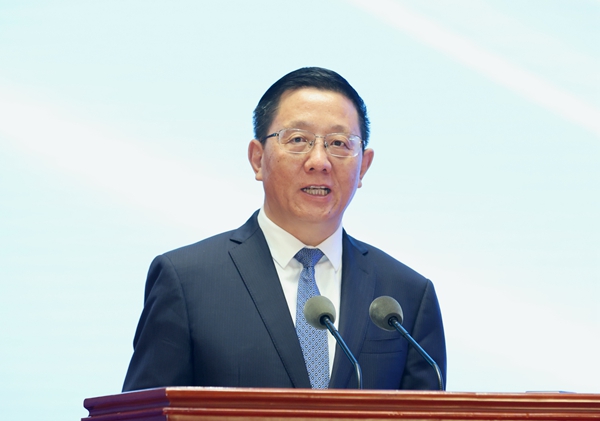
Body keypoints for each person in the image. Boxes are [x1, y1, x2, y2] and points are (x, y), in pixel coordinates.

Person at [122, 67, 446, 391]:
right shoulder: (187, 282)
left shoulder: (406, 297)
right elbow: (145, 410)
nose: (319, 161)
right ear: (257, 159)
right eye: (298, 140)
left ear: (363, 166)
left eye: (338, 143)